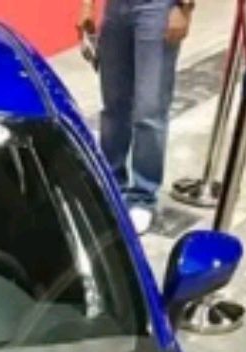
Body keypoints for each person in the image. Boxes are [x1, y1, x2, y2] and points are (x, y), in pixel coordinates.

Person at [79, 0, 195, 235]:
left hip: (157, 8)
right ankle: (112, 185)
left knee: (149, 110)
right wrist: (87, 6)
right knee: (114, 106)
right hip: (115, 9)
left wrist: (185, 8)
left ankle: (143, 196)